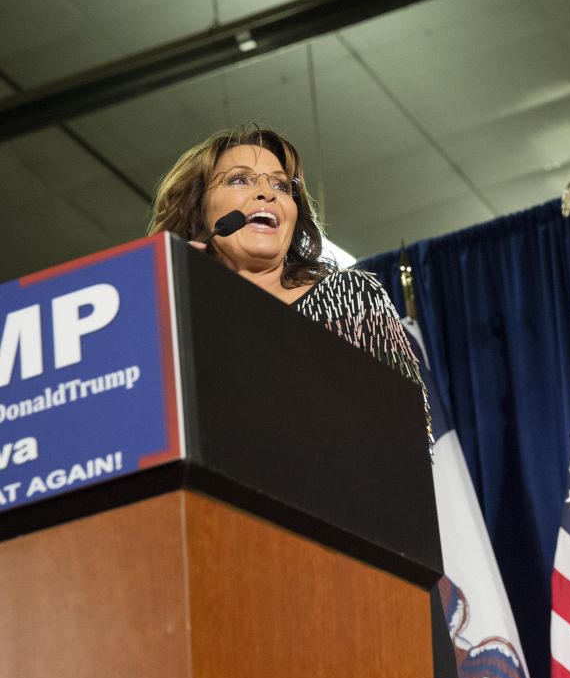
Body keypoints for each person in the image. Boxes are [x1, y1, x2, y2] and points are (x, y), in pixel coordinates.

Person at [148, 125, 431, 446]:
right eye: (239, 179)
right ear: (198, 215)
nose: (267, 192)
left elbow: (408, 429)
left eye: (281, 186)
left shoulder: (347, 296)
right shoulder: (171, 317)